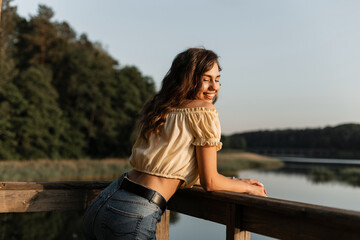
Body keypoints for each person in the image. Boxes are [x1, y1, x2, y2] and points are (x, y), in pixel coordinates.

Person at [82, 48, 267, 240]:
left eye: (217, 78)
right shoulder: (204, 111)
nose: (214, 86)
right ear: (189, 78)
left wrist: (234, 182)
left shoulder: (163, 108)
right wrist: (249, 188)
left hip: (106, 200)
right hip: (135, 212)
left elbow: (176, 168)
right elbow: (210, 182)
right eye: (206, 79)